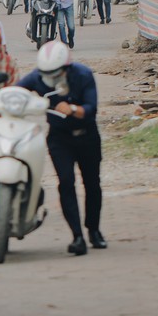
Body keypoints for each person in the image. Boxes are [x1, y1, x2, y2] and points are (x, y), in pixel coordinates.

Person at [17, 41, 106, 255]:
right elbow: (16, 91)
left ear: (67, 67)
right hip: (59, 138)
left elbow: (91, 109)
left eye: (55, 73)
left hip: (87, 136)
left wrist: (72, 109)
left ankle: (93, 230)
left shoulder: (83, 75)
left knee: (92, 183)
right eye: (47, 73)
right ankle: (77, 236)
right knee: (66, 182)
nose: (51, 77)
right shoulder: (37, 77)